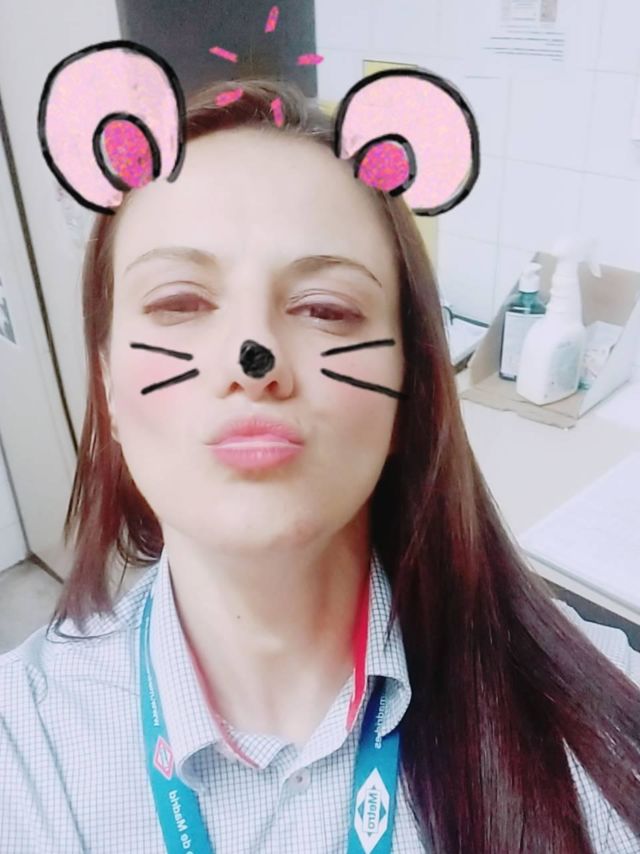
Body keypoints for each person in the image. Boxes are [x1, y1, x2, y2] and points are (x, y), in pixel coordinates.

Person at [1, 76, 639, 854]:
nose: (253, 359)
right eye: (178, 303)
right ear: (107, 387)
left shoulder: (603, 716)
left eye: (326, 309)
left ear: (408, 385)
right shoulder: (25, 751)